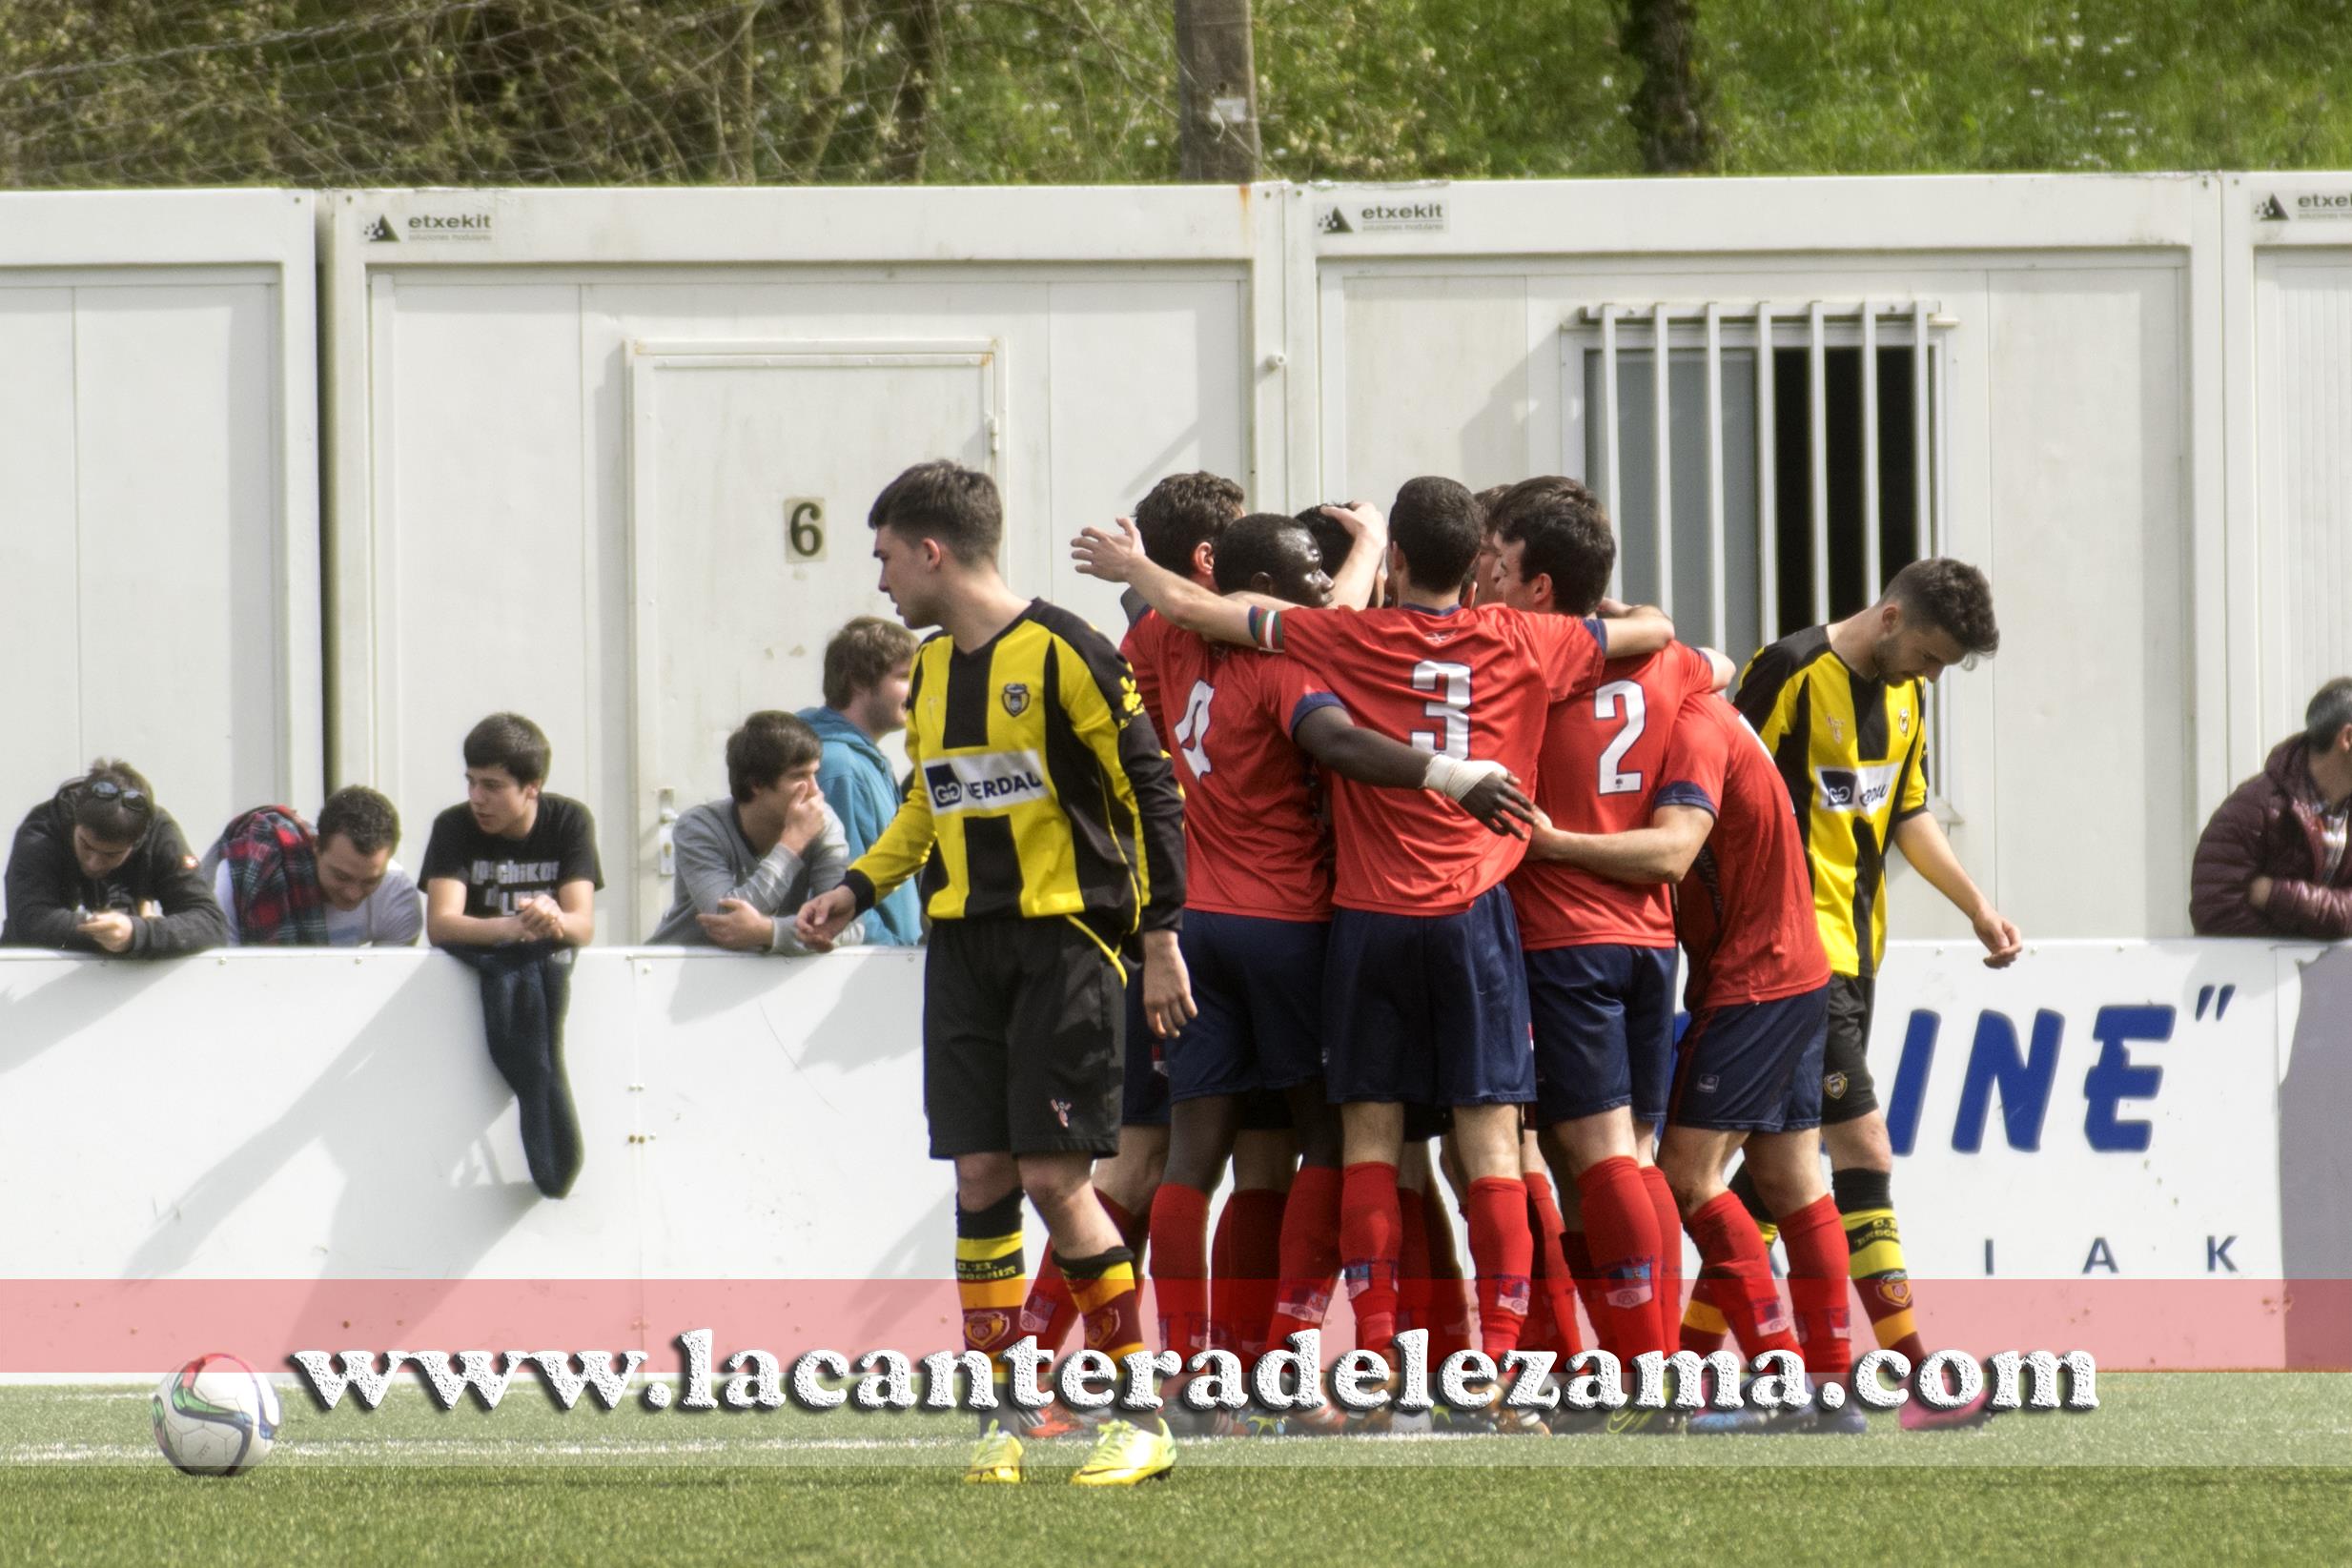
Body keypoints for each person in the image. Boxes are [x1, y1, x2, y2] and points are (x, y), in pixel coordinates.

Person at [1074, 474, 1671, 1425]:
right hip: (1469, 916)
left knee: (1348, 1145)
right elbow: (1652, 633)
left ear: (1393, 560)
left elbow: (1200, 608)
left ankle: (1356, 1359)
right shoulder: (1526, 638)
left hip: (1342, 919)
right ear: (1478, 566)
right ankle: (1499, 1371)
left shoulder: (1338, 639)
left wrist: (1128, 566)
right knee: (1491, 1148)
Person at [794, 459, 1189, 1487]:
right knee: (979, 1177)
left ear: (932, 551)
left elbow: (1151, 794)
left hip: (1066, 940)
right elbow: (931, 804)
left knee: (1058, 1179)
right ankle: (1003, 1420)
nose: (879, 580)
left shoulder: (1069, 652)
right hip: (963, 946)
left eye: (885, 557)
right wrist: (857, 884)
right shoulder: (926, 673)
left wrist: (1161, 937)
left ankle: (1139, 1416)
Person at [1119, 509, 1533, 1430]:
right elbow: (1339, 739)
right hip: (1294, 925)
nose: (1322, 586)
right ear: (1261, 586)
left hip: (1194, 928)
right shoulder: (1294, 660)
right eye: (1307, 572)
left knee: (1199, 1155)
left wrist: (1143, 567)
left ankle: (1193, 1371)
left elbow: (1161, 604)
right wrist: (1448, 773)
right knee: (1340, 1140)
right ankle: (1298, 1363)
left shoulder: (1165, 635)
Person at [1711, 557, 2015, 1429]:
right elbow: (1721, 795)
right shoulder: (1789, 671)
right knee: (1862, 1148)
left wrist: (1978, 909)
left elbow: (1906, 814)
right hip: (1786, 957)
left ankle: (1691, 1362)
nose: (1931, 675)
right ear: (1888, 618)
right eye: (1927, 655)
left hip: (1857, 958)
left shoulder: (1907, 698)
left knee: (1775, 1171)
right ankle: (1915, 1377)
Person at [1537, 690, 1859, 1433]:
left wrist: (1555, 844)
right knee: (1788, 1178)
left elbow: (1674, 849)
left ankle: (1770, 1380)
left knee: (1682, 1175)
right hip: (1788, 969)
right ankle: (1828, 1388)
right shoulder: (1689, 696)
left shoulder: (1689, 724)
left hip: (1754, 979)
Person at [1484, 476, 1732, 1383]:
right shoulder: (1671, 664)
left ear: (1540, 586)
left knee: (1587, 1155)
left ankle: (1648, 1370)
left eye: (1502, 565)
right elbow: (1718, 660)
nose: (1491, 581)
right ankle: (1625, 1361)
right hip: (1643, 942)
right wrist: (1646, 615)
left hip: (1562, 939)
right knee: (1621, 1155)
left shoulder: (1525, 654)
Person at [420, 713, 602, 1201]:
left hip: (538, 980)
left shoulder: (568, 820)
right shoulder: (453, 826)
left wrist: (552, 919)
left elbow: (583, 924)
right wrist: (514, 928)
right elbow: (440, 925)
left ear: (532, 788)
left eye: (493, 786)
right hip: (465, 997)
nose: (477, 798)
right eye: (472, 782)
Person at [649, 711, 860, 952]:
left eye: (815, 773)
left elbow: (846, 925)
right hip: (680, 976)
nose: (815, 790)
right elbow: (725, 921)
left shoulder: (824, 823)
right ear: (756, 784)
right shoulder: (700, 827)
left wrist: (769, 932)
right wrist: (792, 844)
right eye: (799, 776)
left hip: (772, 979)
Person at [3, 760, 226, 956]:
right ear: (75, 821)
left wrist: (135, 934)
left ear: (138, 841)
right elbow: (30, 922)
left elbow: (211, 923)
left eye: (112, 854)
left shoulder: (159, 832)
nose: (94, 862)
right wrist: (119, 936)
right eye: (86, 845)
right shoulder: (42, 830)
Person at [2190, 677, 2352, 939]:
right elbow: (2216, 914)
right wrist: (2303, 946)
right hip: (2254, 979)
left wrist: (2278, 896)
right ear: (2347, 738)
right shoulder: (2252, 809)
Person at [799, 617, 924, 947]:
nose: (916, 691)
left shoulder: (861, 759)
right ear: (857, 681)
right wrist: (892, 951)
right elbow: (837, 880)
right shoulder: (841, 766)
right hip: (872, 968)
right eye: (904, 677)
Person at [207, 786, 421, 947]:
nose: (353, 893)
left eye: (370, 881)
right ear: (316, 845)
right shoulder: (239, 879)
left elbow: (387, 988)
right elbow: (223, 975)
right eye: (341, 876)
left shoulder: (396, 894)